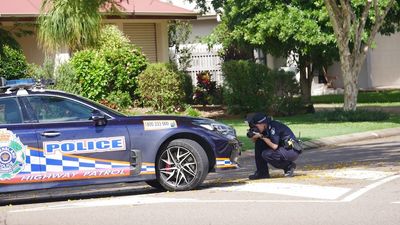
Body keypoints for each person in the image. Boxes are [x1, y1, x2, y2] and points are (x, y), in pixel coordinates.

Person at [246, 112, 301, 180]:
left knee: (267, 154)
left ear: (263, 124)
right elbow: (254, 142)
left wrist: (261, 136)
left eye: (256, 126)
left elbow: (274, 146)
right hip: (282, 148)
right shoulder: (265, 127)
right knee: (259, 142)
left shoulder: (273, 127)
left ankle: (288, 166)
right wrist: (255, 136)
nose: (255, 128)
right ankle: (262, 173)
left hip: (291, 150)